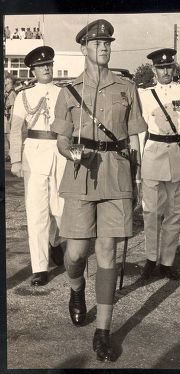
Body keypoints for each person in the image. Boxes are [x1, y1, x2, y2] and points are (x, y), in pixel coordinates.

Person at [51, 19, 147, 362]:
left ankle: (103, 331)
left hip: (117, 174)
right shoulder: (69, 91)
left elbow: (135, 137)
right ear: (84, 48)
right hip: (80, 173)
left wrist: (139, 178)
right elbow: (61, 140)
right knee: (76, 253)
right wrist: (72, 152)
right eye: (97, 44)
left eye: (108, 43)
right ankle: (76, 289)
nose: (104, 48)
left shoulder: (126, 87)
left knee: (106, 252)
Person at [138, 48, 180, 281]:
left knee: (175, 212)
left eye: (169, 67)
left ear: (174, 68)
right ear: (154, 70)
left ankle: (167, 261)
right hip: (153, 154)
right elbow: (141, 130)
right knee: (152, 212)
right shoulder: (145, 94)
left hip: (177, 154)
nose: (165, 71)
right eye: (161, 68)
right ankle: (150, 259)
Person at [9, 46, 66, 286]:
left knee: (61, 208)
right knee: (37, 212)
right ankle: (40, 267)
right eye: (42, 65)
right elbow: (15, 130)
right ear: (33, 69)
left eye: (49, 64)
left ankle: (55, 242)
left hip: (61, 152)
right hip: (34, 152)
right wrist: (16, 160)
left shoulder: (65, 93)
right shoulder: (24, 95)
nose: (46, 68)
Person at [4, 73, 16, 162]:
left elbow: (12, 107)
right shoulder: (8, 92)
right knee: (8, 137)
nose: (5, 84)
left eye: (6, 83)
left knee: (9, 137)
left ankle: (12, 155)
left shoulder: (12, 93)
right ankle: (10, 154)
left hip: (9, 117)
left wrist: (11, 119)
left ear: (10, 82)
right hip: (7, 116)